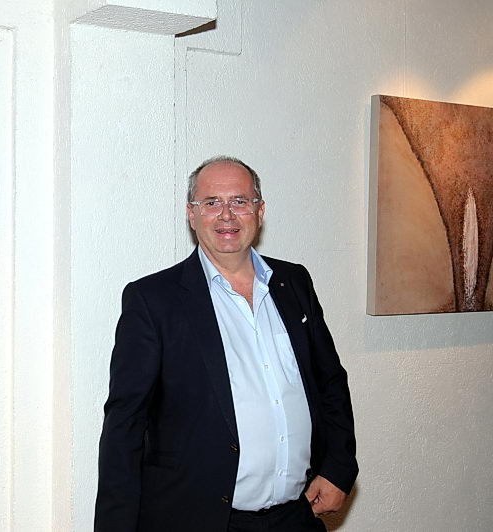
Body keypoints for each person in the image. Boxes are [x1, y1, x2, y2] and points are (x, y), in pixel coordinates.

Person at [94, 157, 357, 531]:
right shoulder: (153, 300)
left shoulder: (294, 283)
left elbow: (330, 382)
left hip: (296, 518)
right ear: (192, 214)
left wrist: (338, 468)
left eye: (240, 201)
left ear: (259, 211)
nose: (226, 215)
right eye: (211, 202)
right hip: (203, 522)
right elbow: (125, 425)